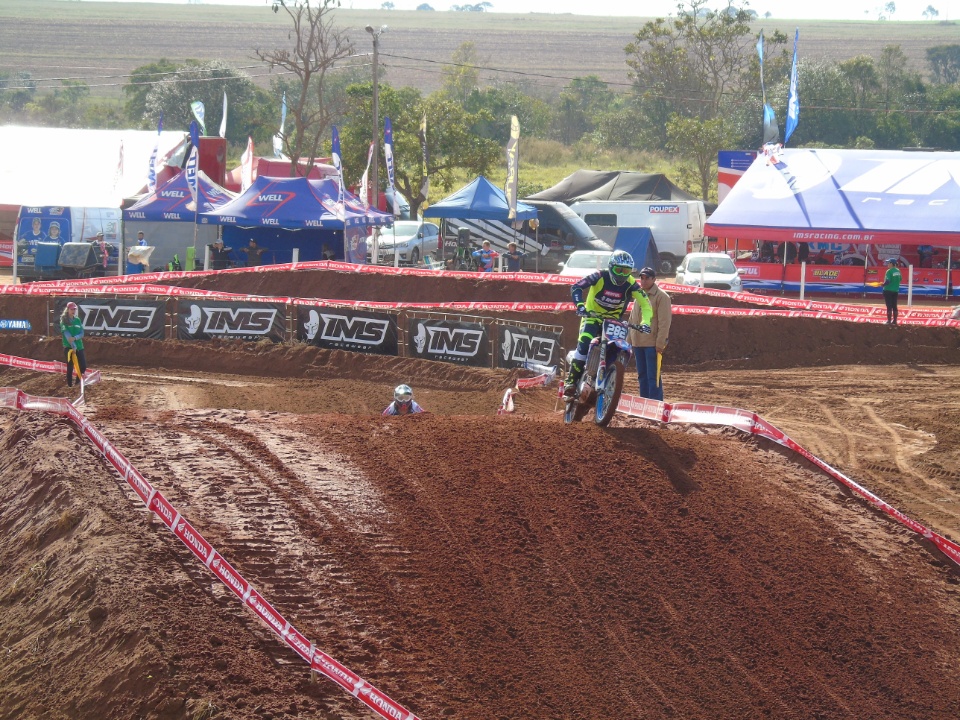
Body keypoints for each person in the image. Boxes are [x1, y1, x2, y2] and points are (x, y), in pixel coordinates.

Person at [564, 249, 652, 397]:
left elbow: (646, 304)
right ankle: (571, 382)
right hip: (592, 317)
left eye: (627, 271)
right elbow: (576, 286)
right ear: (611, 267)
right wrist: (580, 306)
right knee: (585, 342)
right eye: (619, 270)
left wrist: (646, 322)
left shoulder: (631, 283)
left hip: (613, 321)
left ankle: (613, 378)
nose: (622, 274)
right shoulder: (599, 276)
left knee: (617, 349)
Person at [629, 266, 671, 401]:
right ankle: (643, 403)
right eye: (642, 278)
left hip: (652, 344)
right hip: (638, 343)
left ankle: (655, 404)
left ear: (654, 279)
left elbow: (664, 322)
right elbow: (632, 319)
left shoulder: (662, 297)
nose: (644, 280)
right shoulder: (639, 295)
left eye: (647, 278)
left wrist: (660, 343)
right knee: (642, 375)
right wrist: (629, 341)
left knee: (653, 376)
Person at [60, 301, 86, 388]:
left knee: (83, 366)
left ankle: (77, 383)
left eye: (74, 309)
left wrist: (75, 338)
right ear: (67, 310)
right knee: (70, 367)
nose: (73, 311)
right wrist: (73, 345)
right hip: (68, 347)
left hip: (79, 346)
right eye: (71, 309)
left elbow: (82, 333)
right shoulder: (64, 321)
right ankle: (70, 386)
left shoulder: (77, 320)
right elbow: (67, 334)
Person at [882, 257, 902, 326]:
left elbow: (888, 281)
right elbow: (900, 279)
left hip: (888, 290)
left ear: (891, 264)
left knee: (889, 306)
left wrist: (883, 284)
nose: (887, 264)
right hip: (895, 290)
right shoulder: (898, 271)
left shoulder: (889, 271)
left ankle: (889, 321)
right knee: (894, 306)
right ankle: (895, 321)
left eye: (888, 263)